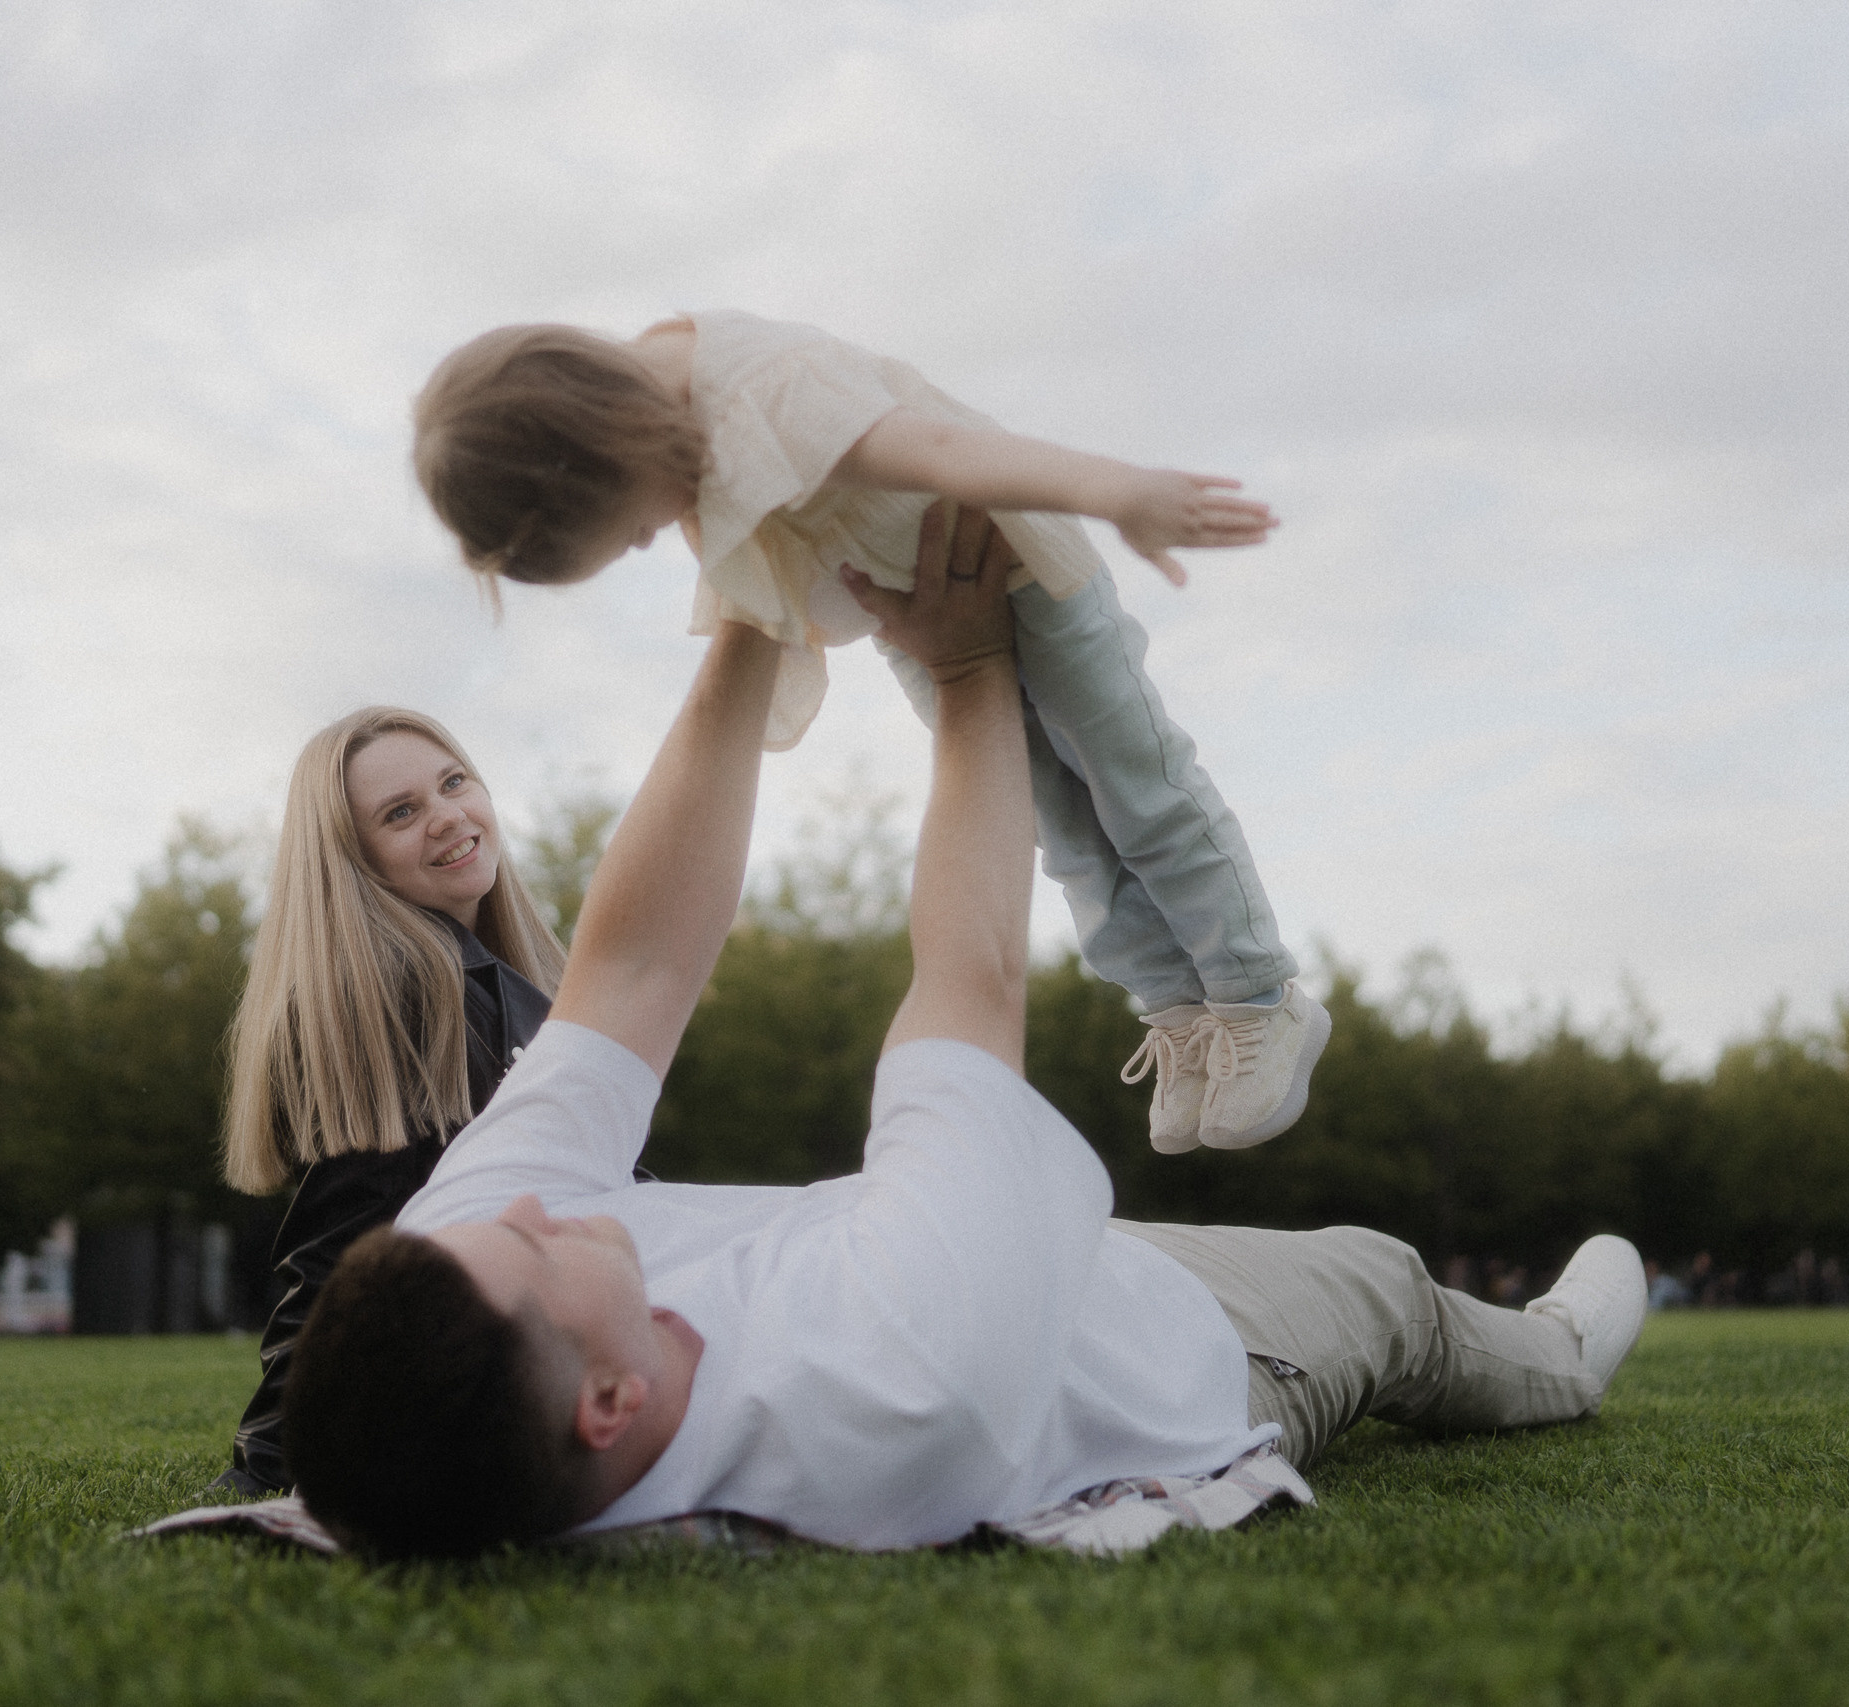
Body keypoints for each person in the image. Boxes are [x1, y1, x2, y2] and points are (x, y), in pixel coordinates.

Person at [281, 504, 1649, 1561]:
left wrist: (758, 609)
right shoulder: (893, 1375)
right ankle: (1559, 1355)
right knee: (1386, 1282)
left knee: (946, 1204)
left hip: (933, 1222)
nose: (528, 1202)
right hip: (1158, 1340)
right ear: (607, 1408)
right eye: (530, 1240)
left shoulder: (467, 1248)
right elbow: (971, 977)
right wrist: (970, 665)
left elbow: (630, 970)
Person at [412, 310, 1323, 1153]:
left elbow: (942, 449)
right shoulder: (663, 420)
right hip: (917, 617)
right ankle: (1175, 1004)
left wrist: (1118, 491)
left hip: (1022, 573)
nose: (656, 541)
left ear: (613, 449)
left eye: (634, 529)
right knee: (1062, 832)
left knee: (1137, 786)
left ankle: (1255, 991)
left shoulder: (768, 391)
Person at [211, 706, 568, 1496]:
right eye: (401, 813)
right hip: (531, 1368)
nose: (447, 817)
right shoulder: (397, 996)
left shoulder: (512, 980)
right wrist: (266, 1464)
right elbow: (342, 1253)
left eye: (453, 782)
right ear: (354, 859)